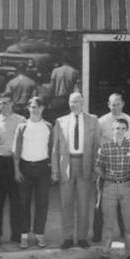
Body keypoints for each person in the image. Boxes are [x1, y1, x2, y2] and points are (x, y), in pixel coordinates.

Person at [52, 91, 100, 249]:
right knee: (66, 203)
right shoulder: (60, 121)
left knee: (84, 203)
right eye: (71, 102)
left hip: (85, 164)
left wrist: (96, 169)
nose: (74, 105)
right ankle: (67, 238)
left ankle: (82, 238)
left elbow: (96, 147)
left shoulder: (93, 120)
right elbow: (56, 148)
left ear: (83, 102)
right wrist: (55, 170)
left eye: (77, 102)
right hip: (66, 164)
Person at [93, 92, 130, 242]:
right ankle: (98, 235)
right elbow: (97, 144)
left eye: (118, 104)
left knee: (124, 204)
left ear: (123, 104)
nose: (115, 107)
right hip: (106, 170)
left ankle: (126, 235)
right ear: (108, 105)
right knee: (101, 203)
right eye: (113, 104)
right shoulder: (101, 122)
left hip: (124, 170)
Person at [95, 117, 130, 259]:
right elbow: (98, 166)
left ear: (126, 131)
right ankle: (105, 254)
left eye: (122, 128)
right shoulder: (105, 147)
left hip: (126, 187)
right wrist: (106, 176)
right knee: (108, 224)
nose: (119, 131)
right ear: (112, 130)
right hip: (110, 187)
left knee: (128, 223)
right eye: (117, 128)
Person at [13, 97, 53, 249]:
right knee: (24, 203)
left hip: (42, 168)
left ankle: (39, 235)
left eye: (37, 106)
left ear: (42, 108)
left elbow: (52, 149)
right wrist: (16, 170)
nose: (34, 109)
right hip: (25, 168)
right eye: (32, 107)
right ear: (28, 108)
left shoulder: (48, 126)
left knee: (42, 203)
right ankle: (24, 236)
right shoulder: (22, 127)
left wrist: (51, 168)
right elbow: (16, 150)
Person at [0, 92, 24, 247]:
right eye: (1, 103)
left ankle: (16, 235)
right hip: (0, 163)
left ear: (12, 103)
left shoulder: (21, 120)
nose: (5, 106)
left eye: (7, 102)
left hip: (16, 163)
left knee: (16, 201)